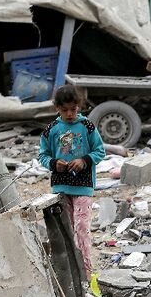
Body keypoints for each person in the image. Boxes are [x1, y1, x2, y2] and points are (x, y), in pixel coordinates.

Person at [39, 85, 105, 277]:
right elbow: (43, 155)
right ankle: (69, 270)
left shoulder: (87, 126)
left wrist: (84, 161)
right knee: (66, 229)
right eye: (65, 110)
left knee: (82, 227)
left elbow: (100, 151)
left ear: (79, 107)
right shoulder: (51, 130)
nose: (69, 114)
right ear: (57, 108)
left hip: (83, 185)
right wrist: (53, 163)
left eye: (73, 109)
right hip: (60, 185)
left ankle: (86, 270)